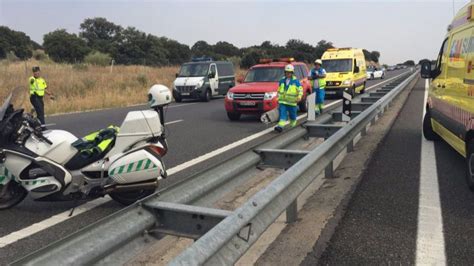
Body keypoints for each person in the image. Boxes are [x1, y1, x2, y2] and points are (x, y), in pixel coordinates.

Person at [274, 64, 303, 133]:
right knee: (282, 114)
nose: (288, 73)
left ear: (292, 73)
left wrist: (299, 97)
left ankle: (293, 122)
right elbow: (279, 90)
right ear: (285, 72)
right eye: (287, 72)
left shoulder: (296, 81)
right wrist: (277, 97)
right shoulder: (282, 81)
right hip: (283, 102)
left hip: (292, 102)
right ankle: (280, 126)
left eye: (289, 72)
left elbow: (300, 90)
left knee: (292, 115)